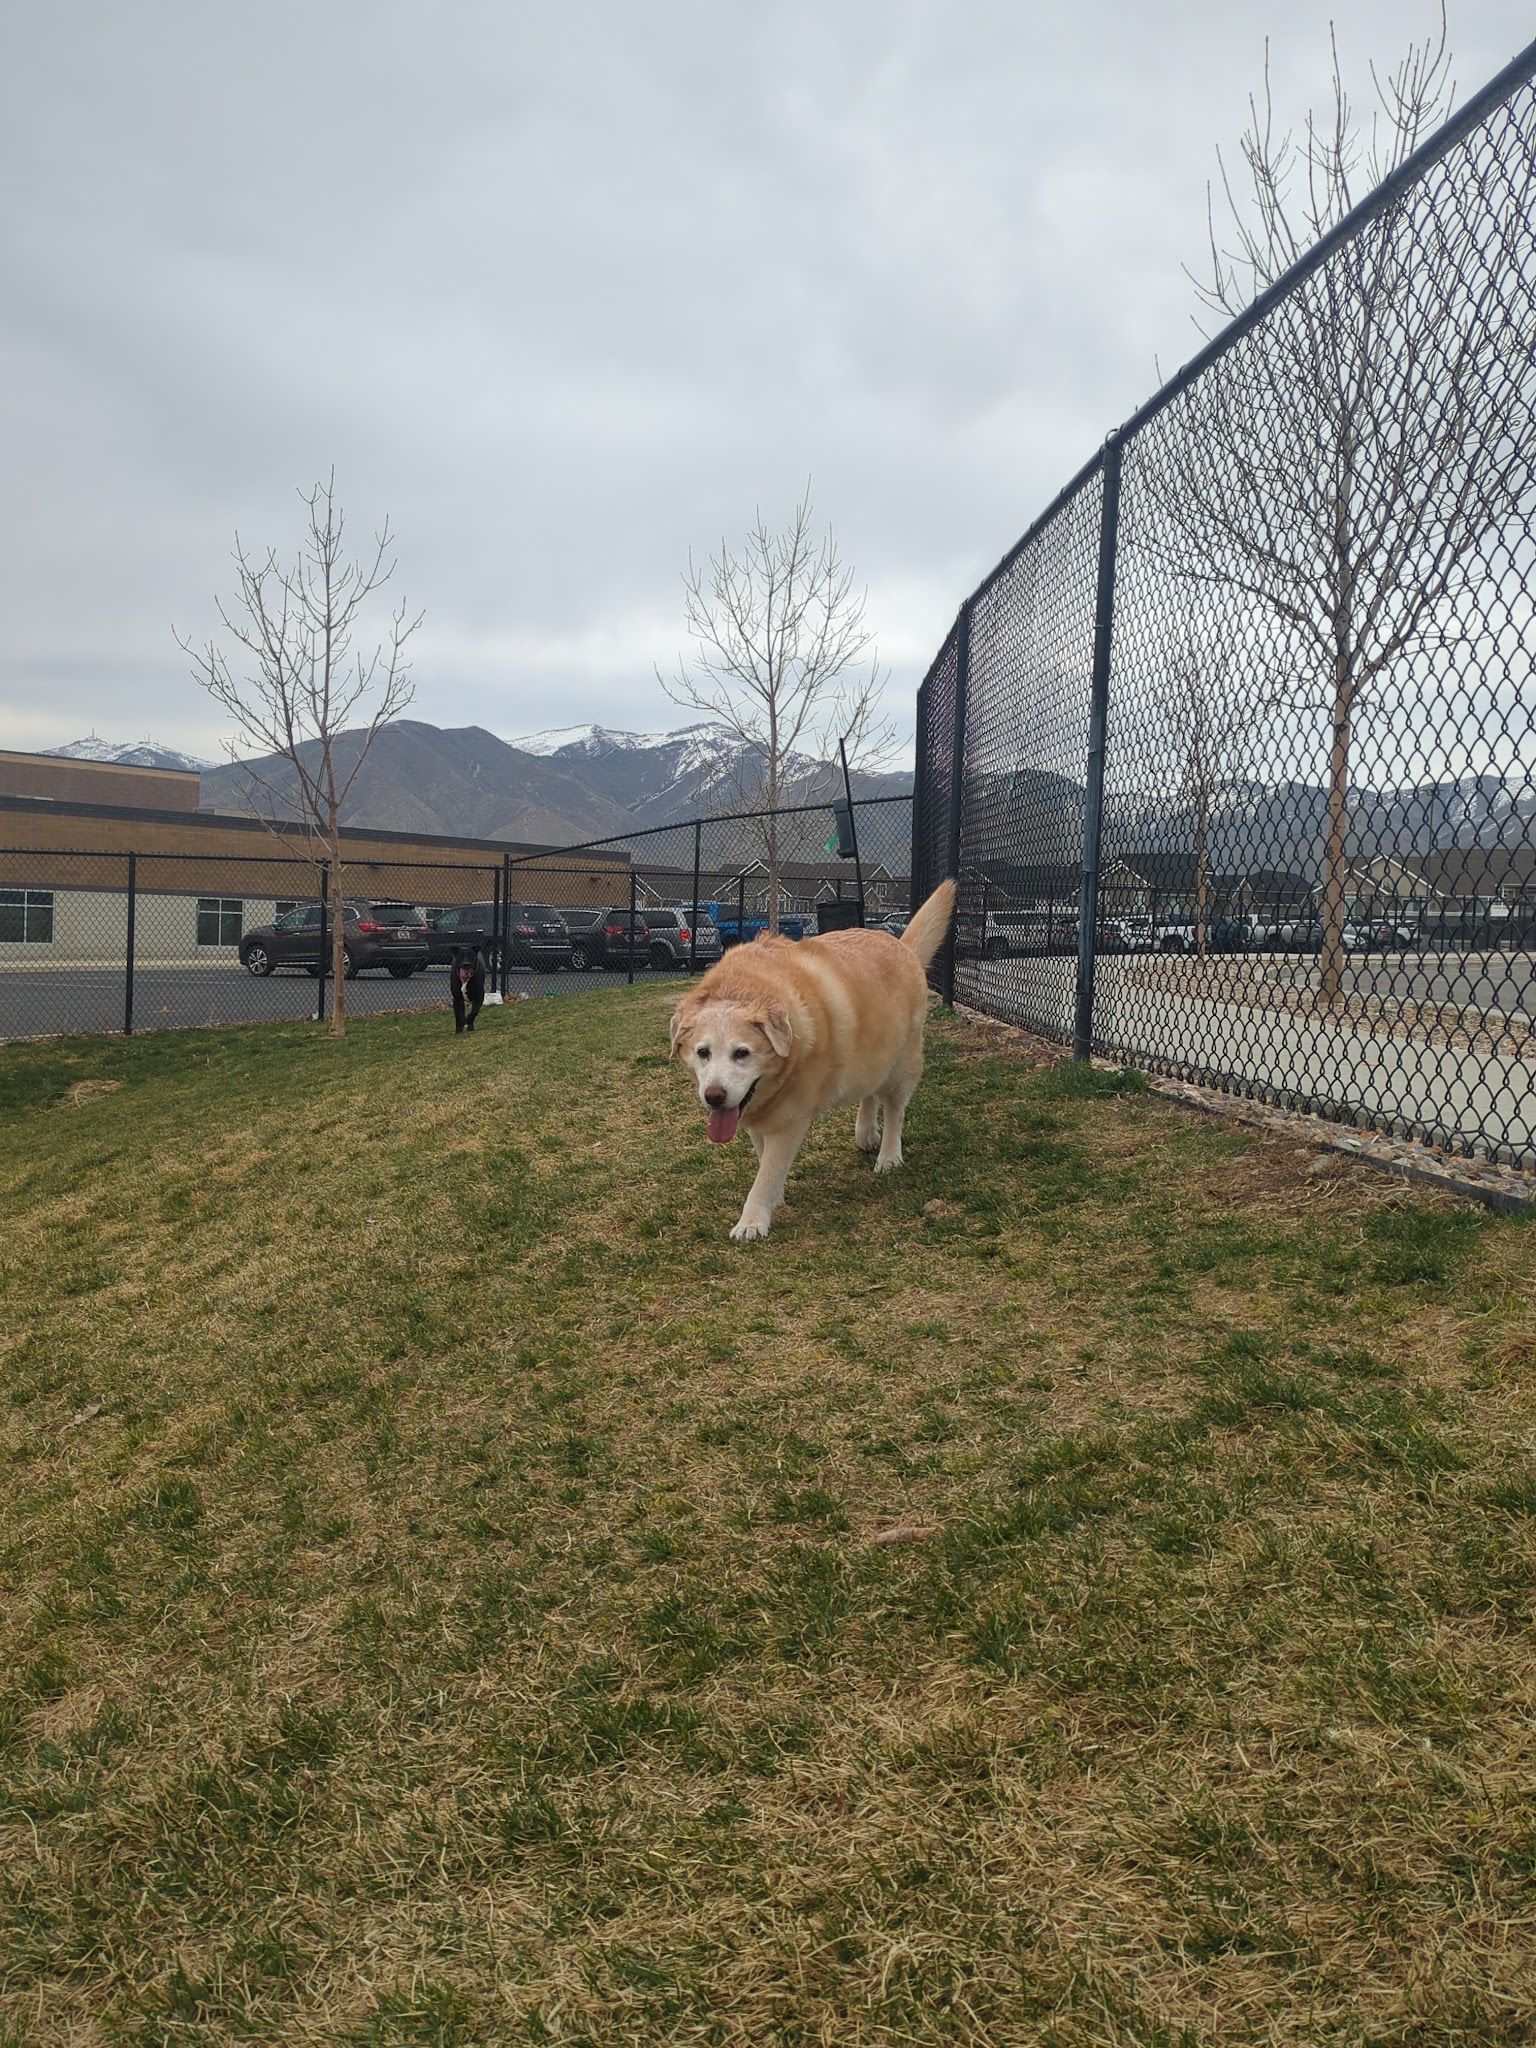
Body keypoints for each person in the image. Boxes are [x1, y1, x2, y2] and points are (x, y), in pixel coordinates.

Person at [451, 946, 486, 1033]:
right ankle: (459, 1028)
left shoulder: (478, 970)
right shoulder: (455, 972)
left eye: (470, 958)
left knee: (477, 995)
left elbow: (479, 997)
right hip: (457, 978)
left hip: (475, 979)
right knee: (458, 1000)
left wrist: (471, 1016)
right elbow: (456, 1000)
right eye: (461, 958)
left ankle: (470, 1022)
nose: (466, 962)